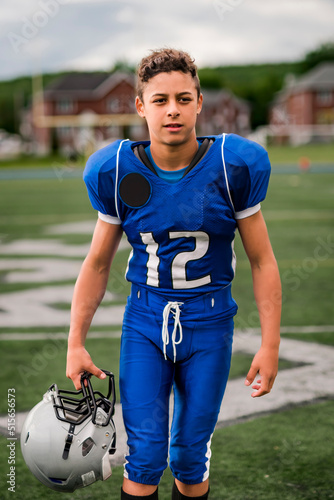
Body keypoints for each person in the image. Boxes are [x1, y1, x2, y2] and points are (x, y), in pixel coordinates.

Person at [66, 48, 281, 500]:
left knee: (189, 455)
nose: (173, 110)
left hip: (210, 322)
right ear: (140, 106)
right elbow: (98, 263)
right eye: (160, 100)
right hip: (144, 322)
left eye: (184, 99)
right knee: (143, 458)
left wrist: (270, 343)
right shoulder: (117, 170)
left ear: (200, 102)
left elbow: (262, 260)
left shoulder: (230, 165)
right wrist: (75, 343)